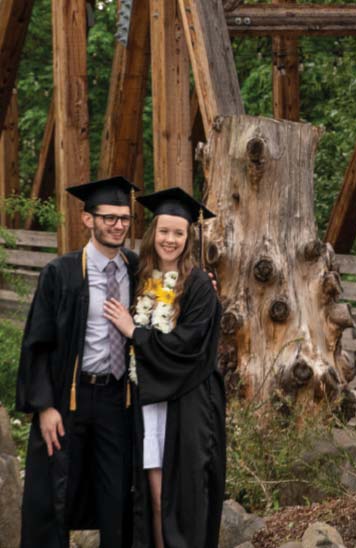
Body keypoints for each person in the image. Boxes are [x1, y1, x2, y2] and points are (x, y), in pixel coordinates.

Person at [15, 176, 140, 547]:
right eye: (109, 218)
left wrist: (206, 286)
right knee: (55, 491)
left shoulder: (136, 269)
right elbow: (37, 343)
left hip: (119, 400)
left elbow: (177, 289)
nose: (118, 225)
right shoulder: (61, 273)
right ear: (88, 219)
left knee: (117, 492)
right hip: (69, 399)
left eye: (124, 218)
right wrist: (44, 406)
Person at [103, 186, 226, 548]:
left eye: (178, 232)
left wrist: (133, 332)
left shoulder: (199, 286)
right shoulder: (140, 277)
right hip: (150, 401)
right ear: (152, 232)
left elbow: (187, 347)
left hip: (187, 404)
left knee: (182, 497)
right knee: (154, 493)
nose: (169, 240)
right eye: (163, 231)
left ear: (189, 238)